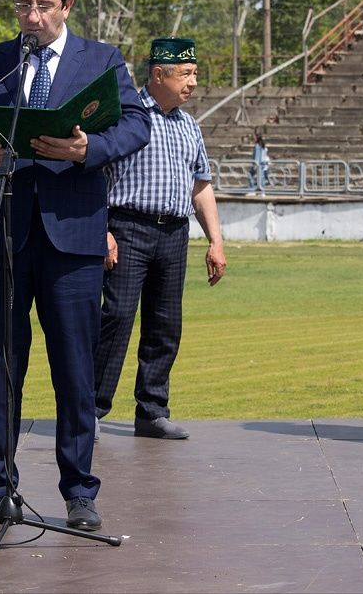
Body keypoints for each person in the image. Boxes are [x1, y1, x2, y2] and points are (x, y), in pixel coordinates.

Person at [0, 0, 151, 532]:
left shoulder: (102, 60)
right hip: (3, 233)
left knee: (74, 369)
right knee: (0, 365)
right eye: (21, 6)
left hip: (75, 238)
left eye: (41, 6)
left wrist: (92, 149)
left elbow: (135, 123)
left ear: (66, 6)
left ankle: (79, 491)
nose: (31, 17)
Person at [94, 38, 227, 441]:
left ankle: (152, 410)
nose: (192, 83)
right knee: (115, 319)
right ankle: (90, 411)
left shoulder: (189, 124)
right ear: (158, 74)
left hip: (173, 233)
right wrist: (102, 232)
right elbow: (94, 177)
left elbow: (201, 186)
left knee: (165, 324)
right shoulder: (123, 115)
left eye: (194, 74)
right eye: (185, 74)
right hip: (127, 228)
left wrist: (216, 241)